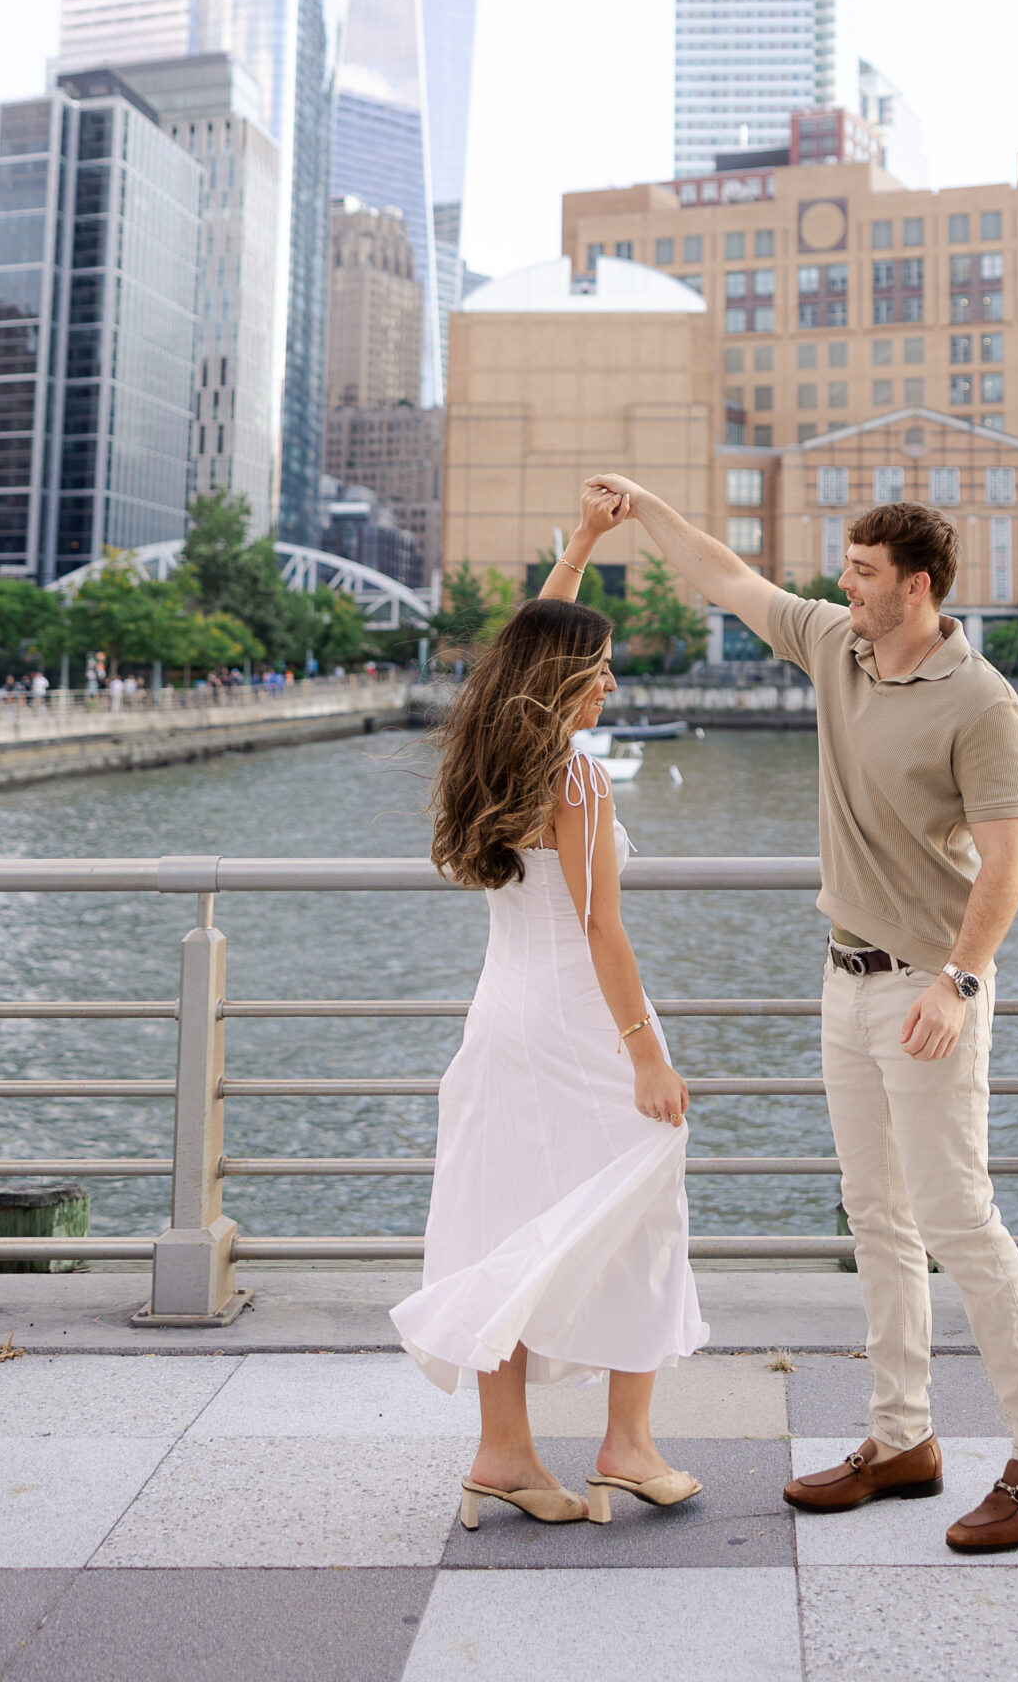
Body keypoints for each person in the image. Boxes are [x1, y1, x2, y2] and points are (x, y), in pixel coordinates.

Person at [586, 475, 1018, 1555]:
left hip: (928, 989)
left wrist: (958, 983)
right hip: (844, 977)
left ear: (917, 588)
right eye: (845, 570)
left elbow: (1010, 861)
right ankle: (901, 1437)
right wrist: (644, 505)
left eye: (862, 573)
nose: (843, 585)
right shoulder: (835, 645)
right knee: (875, 1214)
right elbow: (727, 579)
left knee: (958, 1219)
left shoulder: (982, 702)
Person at [390, 491, 707, 1532]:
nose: (612, 683)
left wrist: (582, 544)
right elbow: (601, 929)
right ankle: (627, 1444)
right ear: (564, 679)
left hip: (501, 1023)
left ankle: (504, 1453)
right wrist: (647, 1056)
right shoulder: (577, 780)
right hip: (583, 1026)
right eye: (600, 668)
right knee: (643, 1210)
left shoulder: (488, 752)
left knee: (507, 1223)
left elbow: (526, 641)